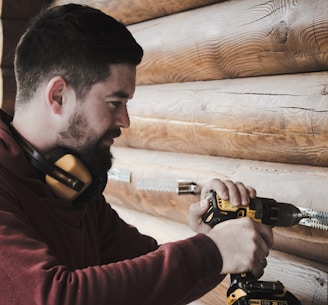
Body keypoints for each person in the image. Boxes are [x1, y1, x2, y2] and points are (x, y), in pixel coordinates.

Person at [0, 4, 273, 305]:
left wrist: (212, 239)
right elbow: (54, 297)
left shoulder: (73, 185)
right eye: (115, 102)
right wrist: (211, 252)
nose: (124, 121)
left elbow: (147, 279)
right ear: (58, 96)